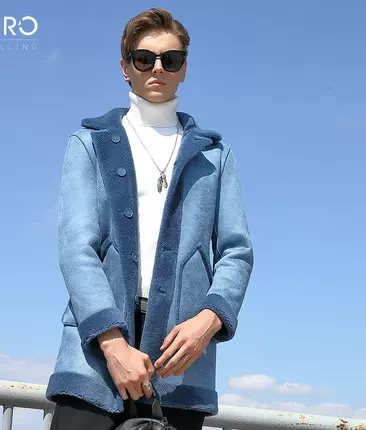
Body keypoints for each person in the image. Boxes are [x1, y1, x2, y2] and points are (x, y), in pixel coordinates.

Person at [46, 7, 253, 430]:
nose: (157, 68)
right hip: (94, 353)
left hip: (181, 357)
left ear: (184, 69)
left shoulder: (215, 156)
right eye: (144, 58)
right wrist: (112, 343)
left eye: (170, 59)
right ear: (126, 68)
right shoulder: (89, 143)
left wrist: (208, 320)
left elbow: (237, 252)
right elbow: (76, 247)